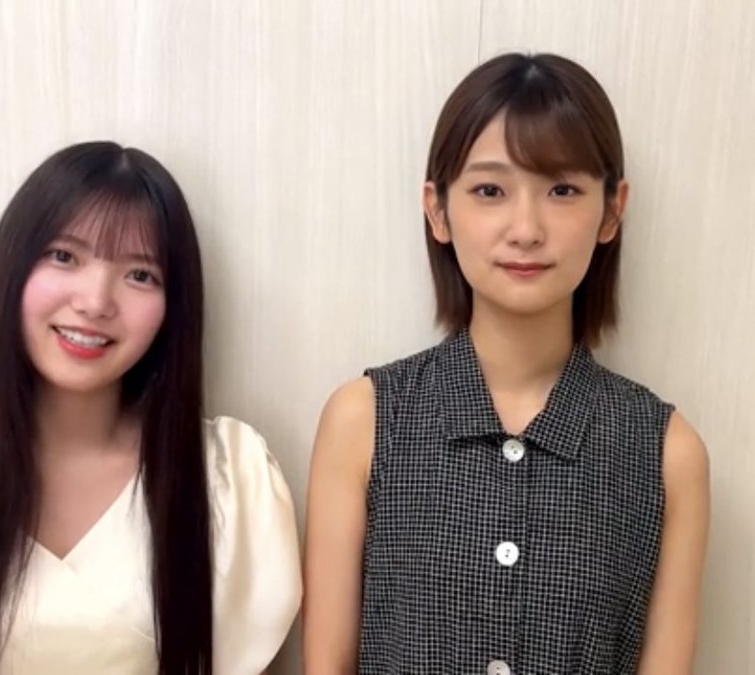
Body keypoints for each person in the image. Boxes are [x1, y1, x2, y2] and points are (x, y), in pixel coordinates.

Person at [0, 141, 302, 675]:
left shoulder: (227, 481)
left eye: (140, 274)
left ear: (172, 308)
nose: (95, 301)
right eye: (65, 256)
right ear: (12, 267)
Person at [303, 53, 710, 674]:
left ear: (612, 210)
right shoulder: (365, 420)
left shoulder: (666, 452)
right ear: (438, 210)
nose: (526, 228)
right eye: (490, 190)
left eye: (562, 189)